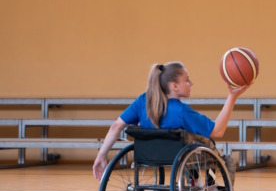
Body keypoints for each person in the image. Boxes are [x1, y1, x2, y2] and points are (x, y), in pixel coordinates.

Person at [93, 61, 251, 181]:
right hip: (180, 157)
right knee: (219, 156)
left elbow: (116, 126)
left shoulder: (143, 101)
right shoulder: (181, 111)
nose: (191, 83)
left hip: (149, 156)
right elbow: (218, 131)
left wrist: (102, 154)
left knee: (191, 150)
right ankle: (210, 190)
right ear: (175, 86)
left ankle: (193, 183)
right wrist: (232, 97)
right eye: (187, 80)